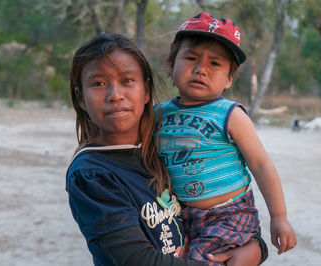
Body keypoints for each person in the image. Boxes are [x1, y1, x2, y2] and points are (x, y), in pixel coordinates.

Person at [66, 33, 268, 265]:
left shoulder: (161, 148)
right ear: (80, 98)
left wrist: (257, 247)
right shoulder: (92, 174)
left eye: (128, 80)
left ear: (146, 90)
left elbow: (214, 213)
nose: (115, 95)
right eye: (98, 84)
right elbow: (139, 260)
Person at [156, 12, 297, 265]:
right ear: (171, 64)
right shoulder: (158, 115)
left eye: (215, 64)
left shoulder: (229, 114)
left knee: (201, 260)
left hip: (229, 214)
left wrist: (279, 216)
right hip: (181, 214)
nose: (201, 69)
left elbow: (261, 164)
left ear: (229, 78)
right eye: (191, 58)